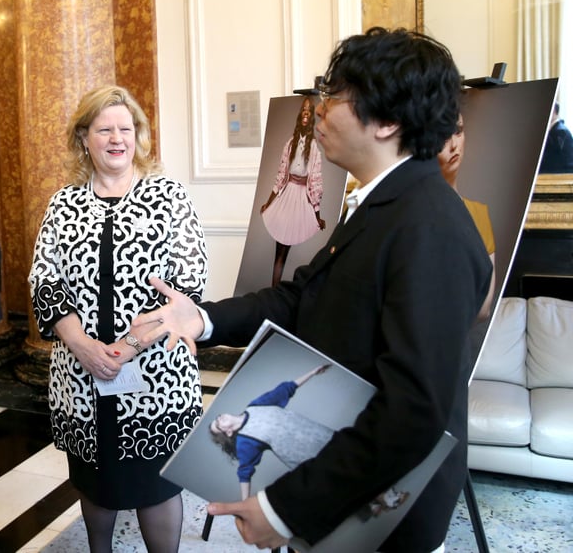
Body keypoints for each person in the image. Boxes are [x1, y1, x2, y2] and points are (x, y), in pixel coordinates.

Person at [132, 28, 492, 553]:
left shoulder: (428, 226)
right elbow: (304, 297)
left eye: (336, 96)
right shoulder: (382, 204)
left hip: (386, 515)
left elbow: (411, 413)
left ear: (388, 120)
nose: (319, 110)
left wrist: (283, 509)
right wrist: (201, 320)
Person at [29, 85, 209, 552]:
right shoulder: (63, 203)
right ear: (84, 137)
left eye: (125, 129)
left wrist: (126, 348)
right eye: (104, 129)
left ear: (138, 137)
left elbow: (188, 282)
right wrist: (86, 348)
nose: (116, 138)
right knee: (96, 481)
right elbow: (44, 282)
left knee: (156, 485)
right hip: (80, 377)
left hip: (157, 376)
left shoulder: (168, 196)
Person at [209, 364, 331, 501]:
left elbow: (285, 389)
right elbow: (244, 473)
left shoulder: (255, 406)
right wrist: (245, 504)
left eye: (217, 418)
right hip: (314, 461)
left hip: (325, 437)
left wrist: (313, 372)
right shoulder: (245, 441)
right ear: (229, 433)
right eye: (218, 425)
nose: (219, 419)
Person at [259, 96, 326, 286]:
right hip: (286, 197)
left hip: (300, 200)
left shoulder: (314, 148)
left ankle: (276, 290)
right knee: (278, 251)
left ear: (311, 117)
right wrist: (269, 202)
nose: (305, 113)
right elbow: (281, 176)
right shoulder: (290, 143)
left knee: (285, 250)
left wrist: (317, 215)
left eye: (309, 111)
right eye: (303, 110)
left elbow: (315, 183)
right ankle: (274, 290)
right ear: (300, 115)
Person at [437, 114, 496, 321]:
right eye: (443, 136)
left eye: (458, 131)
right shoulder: (409, 212)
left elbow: (483, 308)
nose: (454, 145)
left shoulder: (478, 214)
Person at [541, 102, 573, 173]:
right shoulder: (555, 130)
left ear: (554, 112)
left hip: (561, 175)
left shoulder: (560, 132)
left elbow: (554, 159)